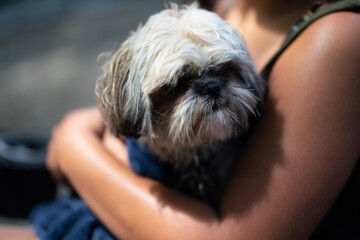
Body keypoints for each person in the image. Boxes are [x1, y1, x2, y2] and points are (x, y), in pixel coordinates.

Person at [1, 0, 359, 239]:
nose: (212, 89)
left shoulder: (338, 38)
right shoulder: (223, 5)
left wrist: (73, 144)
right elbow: (135, 105)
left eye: (227, 71)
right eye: (180, 83)